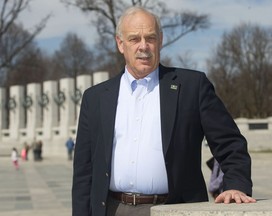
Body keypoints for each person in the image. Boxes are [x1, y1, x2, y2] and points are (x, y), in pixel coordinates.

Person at [72, 6, 256, 216]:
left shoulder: (192, 87)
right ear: (120, 44)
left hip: (174, 209)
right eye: (134, 39)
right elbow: (84, 171)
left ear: (160, 40)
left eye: (150, 38)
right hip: (112, 209)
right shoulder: (95, 98)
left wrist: (236, 185)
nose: (143, 46)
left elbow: (230, 143)